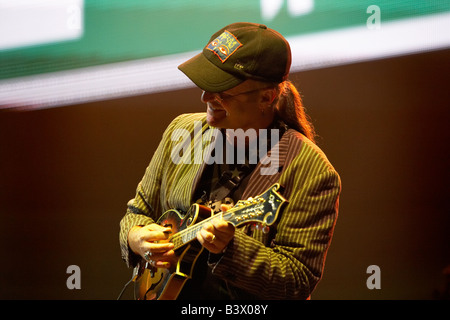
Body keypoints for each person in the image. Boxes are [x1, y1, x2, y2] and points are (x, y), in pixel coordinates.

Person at [119, 22, 341, 300]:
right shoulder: (182, 132)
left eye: (221, 90)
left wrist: (231, 248)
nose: (205, 97)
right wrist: (136, 238)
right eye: (204, 85)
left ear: (266, 97)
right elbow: (138, 211)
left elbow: (297, 281)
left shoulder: (311, 171)